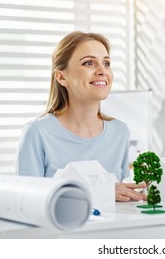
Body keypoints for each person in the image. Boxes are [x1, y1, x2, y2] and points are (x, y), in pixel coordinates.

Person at [16, 31, 146, 202]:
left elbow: (117, 201)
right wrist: (98, 192)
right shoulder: (37, 133)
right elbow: (25, 199)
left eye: (106, 63)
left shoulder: (119, 132)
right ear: (61, 77)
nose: (102, 71)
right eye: (89, 63)